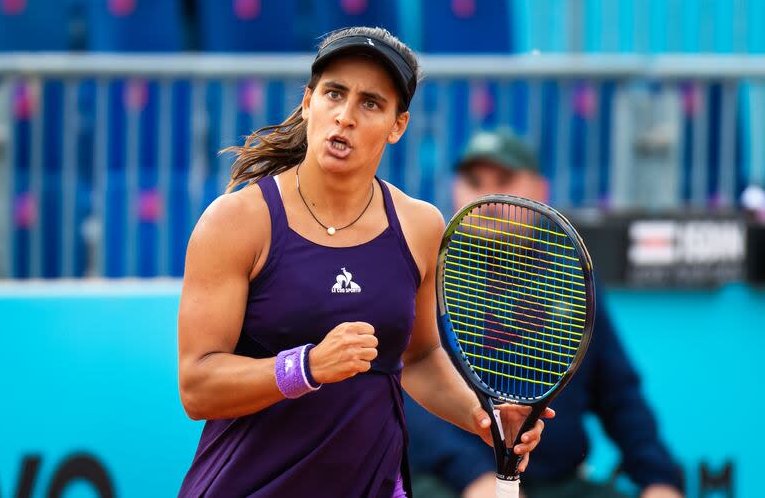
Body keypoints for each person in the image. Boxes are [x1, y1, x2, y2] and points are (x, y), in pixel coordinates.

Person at [176, 28, 553, 497]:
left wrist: (484, 416)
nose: (345, 116)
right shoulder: (236, 222)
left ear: (398, 126)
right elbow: (197, 385)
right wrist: (307, 366)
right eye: (335, 94)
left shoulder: (420, 226)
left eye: (371, 103)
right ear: (310, 102)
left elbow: (417, 358)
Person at [405, 129, 685, 498]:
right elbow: (408, 391)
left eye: (504, 180)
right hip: (451, 485)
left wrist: (659, 480)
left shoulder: (572, 279)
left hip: (559, 485)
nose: (487, 196)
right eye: (474, 182)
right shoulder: (427, 275)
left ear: (539, 189)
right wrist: (474, 476)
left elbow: (619, 395)